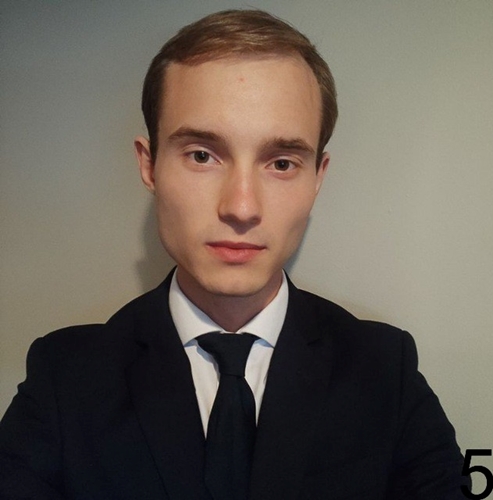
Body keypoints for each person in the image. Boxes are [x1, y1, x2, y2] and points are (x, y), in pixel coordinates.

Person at [0, 9, 468, 500]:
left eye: (281, 163)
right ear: (149, 165)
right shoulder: (65, 377)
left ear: (318, 178)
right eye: (202, 155)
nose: (241, 207)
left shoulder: (384, 370)